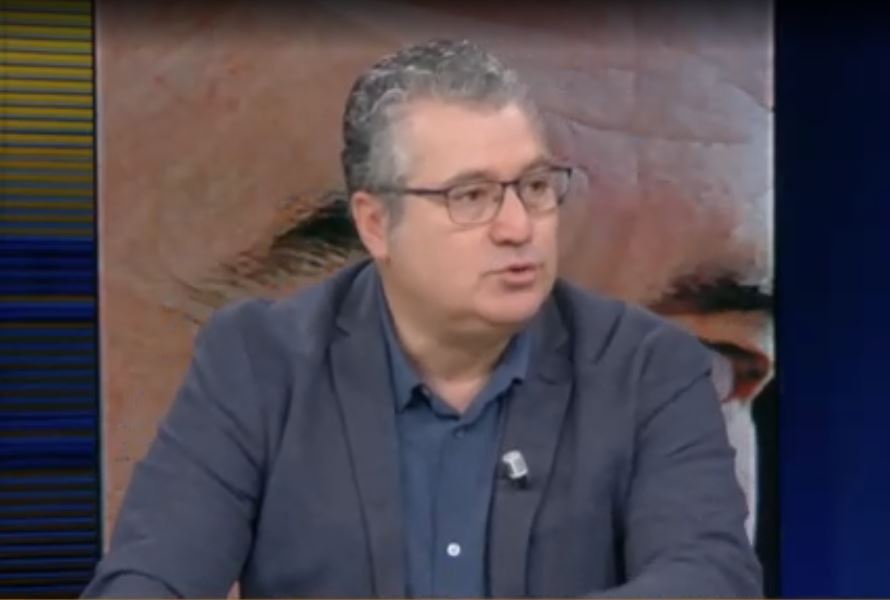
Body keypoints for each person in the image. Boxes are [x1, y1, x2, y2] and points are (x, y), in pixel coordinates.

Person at [84, 38, 762, 598]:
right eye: (469, 197)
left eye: (533, 189)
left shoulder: (657, 364)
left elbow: (708, 575)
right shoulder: (259, 358)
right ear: (376, 224)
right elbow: (151, 575)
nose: (519, 229)